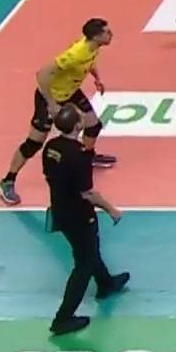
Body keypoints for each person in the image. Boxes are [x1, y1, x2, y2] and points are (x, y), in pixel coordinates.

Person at [0, 18, 117, 206]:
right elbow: (42, 75)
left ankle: (88, 157)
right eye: (107, 32)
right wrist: (52, 104)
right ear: (96, 37)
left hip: (70, 92)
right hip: (50, 96)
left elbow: (90, 62)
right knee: (34, 144)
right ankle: (8, 181)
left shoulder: (94, 47)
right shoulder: (75, 54)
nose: (111, 34)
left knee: (93, 126)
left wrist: (97, 78)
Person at [42, 104, 128, 336]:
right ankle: (63, 318)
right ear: (78, 125)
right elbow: (87, 193)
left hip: (60, 210)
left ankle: (106, 283)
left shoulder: (51, 148)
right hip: (79, 215)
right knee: (84, 263)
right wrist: (111, 210)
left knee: (88, 249)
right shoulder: (79, 155)